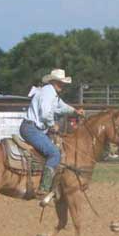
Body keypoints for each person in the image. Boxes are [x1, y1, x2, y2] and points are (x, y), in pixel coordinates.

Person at [19, 69, 84, 198]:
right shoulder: (48, 92)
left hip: (32, 128)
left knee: (57, 147)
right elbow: (45, 113)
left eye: (63, 83)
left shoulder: (51, 93)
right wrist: (51, 125)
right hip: (32, 129)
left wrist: (75, 111)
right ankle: (44, 187)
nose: (62, 85)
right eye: (60, 82)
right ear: (53, 81)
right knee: (54, 153)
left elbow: (62, 106)